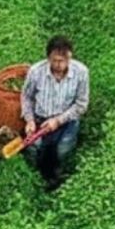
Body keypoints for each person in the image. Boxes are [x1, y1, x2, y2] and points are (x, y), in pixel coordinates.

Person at [21, 35, 90, 189]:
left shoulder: (81, 72)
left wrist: (58, 120)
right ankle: (33, 180)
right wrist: (29, 120)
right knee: (34, 148)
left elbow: (81, 105)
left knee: (62, 151)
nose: (59, 65)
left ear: (70, 57)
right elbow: (26, 97)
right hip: (40, 119)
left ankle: (58, 180)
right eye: (55, 61)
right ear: (48, 58)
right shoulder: (35, 72)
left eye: (64, 60)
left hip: (67, 122)